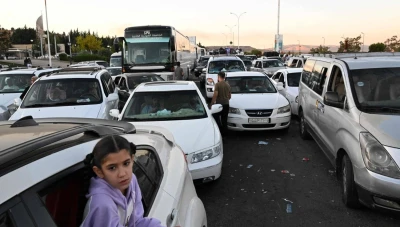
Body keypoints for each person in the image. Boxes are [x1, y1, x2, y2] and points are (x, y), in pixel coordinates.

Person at [80, 135, 164, 227]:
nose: (122, 174)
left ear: (132, 160)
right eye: (112, 168)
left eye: (126, 163)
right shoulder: (102, 204)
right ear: (99, 172)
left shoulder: (132, 180)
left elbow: (136, 222)